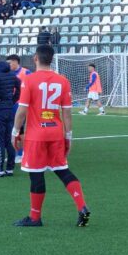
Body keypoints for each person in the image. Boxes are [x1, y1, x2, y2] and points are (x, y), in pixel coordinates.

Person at [12, 45, 91, 227]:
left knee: (36, 174)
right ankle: (82, 207)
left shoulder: (29, 80)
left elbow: (22, 110)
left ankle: (35, 218)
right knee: (62, 170)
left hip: (36, 135)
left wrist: (15, 132)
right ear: (52, 59)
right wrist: (68, 137)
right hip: (56, 133)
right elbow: (67, 114)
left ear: (35, 58)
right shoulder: (63, 81)